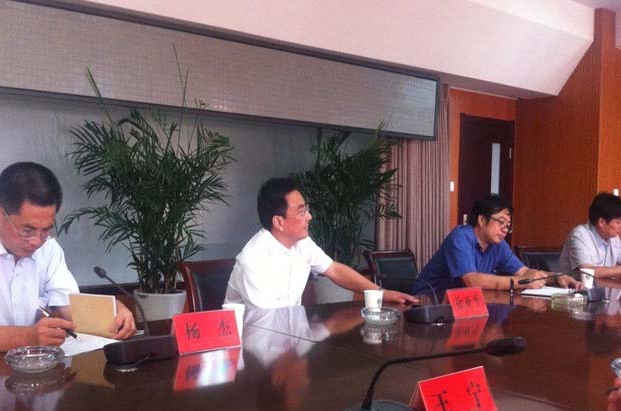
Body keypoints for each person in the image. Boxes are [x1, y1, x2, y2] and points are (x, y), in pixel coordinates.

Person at [0, 162, 136, 352]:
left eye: (46, 230)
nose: (36, 241)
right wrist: (27, 337)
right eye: (27, 230)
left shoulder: (48, 248)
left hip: (33, 371)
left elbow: (66, 308)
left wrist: (112, 313)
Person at [224, 177, 418, 309]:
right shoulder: (254, 260)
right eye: (301, 211)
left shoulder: (302, 243)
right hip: (253, 347)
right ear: (278, 222)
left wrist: (382, 293)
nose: (309, 216)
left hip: (289, 336)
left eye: (306, 209)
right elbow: (269, 325)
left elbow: (334, 270)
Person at [418, 193, 580, 296]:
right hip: (428, 303)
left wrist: (556, 277)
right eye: (501, 222)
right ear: (482, 220)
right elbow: (471, 281)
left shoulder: (498, 244)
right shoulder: (461, 237)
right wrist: (521, 282)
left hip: (466, 305)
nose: (505, 229)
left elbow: (524, 271)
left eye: (508, 226)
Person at [559, 193, 621, 277]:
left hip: (604, 284)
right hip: (576, 285)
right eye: (618, 222)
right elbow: (587, 273)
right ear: (601, 222)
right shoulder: (580, 235)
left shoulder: (614, 237)